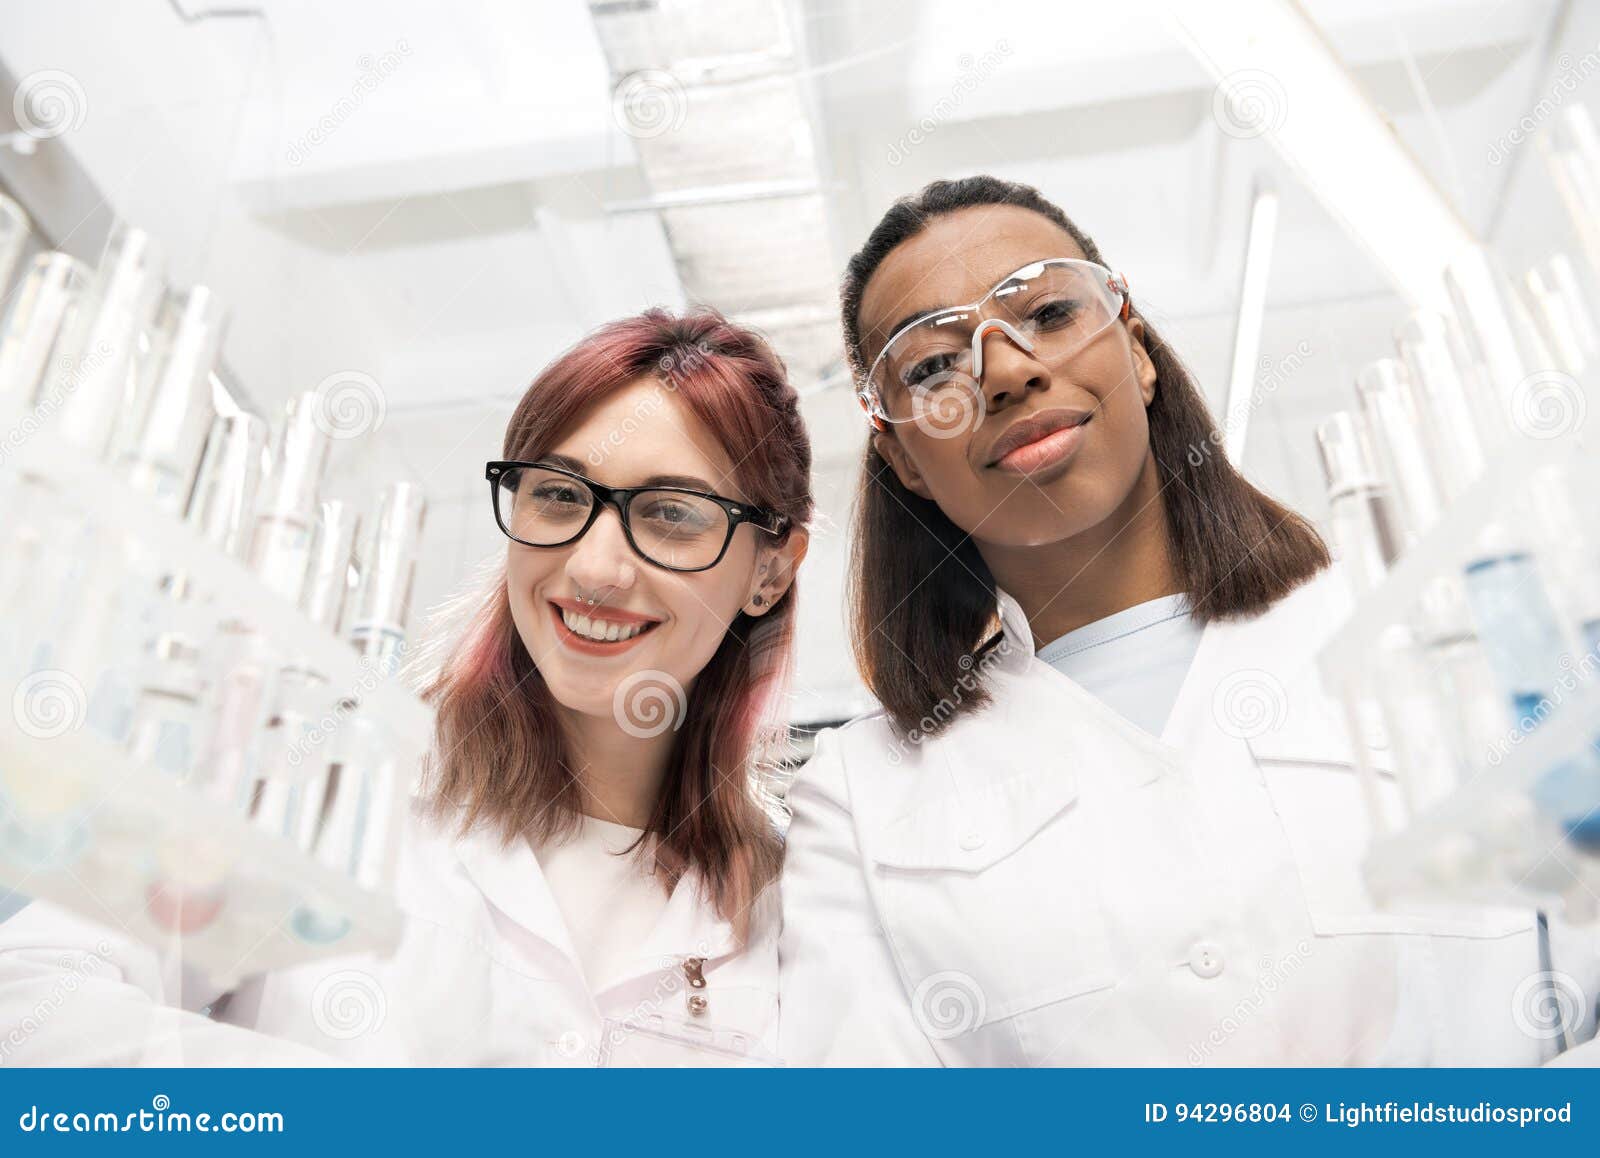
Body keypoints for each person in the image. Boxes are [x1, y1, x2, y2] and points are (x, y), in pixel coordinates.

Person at [777, 175, 1600, 1066]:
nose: (1007, 370)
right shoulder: (858, 797)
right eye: (933, 365)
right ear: (902, 456)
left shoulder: (1437, 615)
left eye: (1049, 312)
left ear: (1137, 351)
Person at [0, 307, 812, 1066]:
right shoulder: (316, 772)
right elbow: (30, 1005)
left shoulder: (798, 901)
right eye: (560, 495)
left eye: (672, 513)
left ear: (770, 571)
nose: (595, 568)